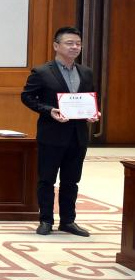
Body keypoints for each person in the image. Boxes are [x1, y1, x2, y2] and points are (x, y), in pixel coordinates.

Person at [21, 26, 99, 237]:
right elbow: (27, 97)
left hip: (78, 135)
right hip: (52, 134)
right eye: (69, 43)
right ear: (56, 46)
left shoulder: (86, 72)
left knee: (71, 181)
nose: (75, 47)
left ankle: (68, 221)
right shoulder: (42, 72)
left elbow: (89, 98)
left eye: (78, 44)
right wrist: (49, 110)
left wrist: (92, 113)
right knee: (47, 179)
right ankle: (46, 220)